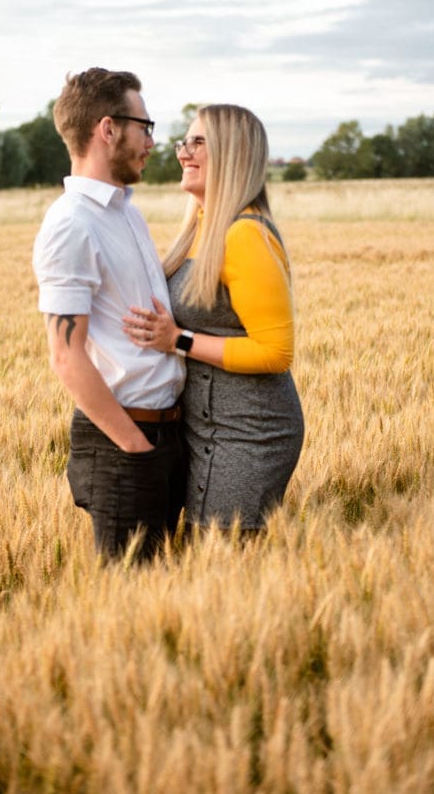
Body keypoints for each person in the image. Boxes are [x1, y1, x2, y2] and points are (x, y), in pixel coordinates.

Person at [123, 103, 304, 533]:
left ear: (234, 153)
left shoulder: (244, 235)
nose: (183, 152)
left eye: (198, 142)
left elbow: (276, 352)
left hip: (249, 432)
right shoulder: (200, 227)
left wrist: (177, 341)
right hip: (203, 428)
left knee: (224, 553)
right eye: (184, 142)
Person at [32, 68, 186, 560]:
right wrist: (134, 446)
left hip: (167, 437)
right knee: (130, 604)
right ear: (107, 129)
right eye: (145, 126)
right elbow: (65, 356)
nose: (151, 141)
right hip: (125, 444)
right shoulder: (70, 224)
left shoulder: (125, 212)